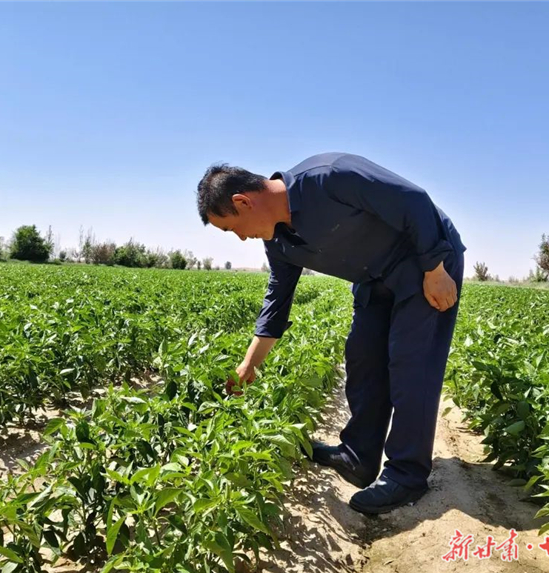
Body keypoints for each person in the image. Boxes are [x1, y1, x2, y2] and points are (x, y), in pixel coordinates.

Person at [195, 152, 466, 515]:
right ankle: (358, 457)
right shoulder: (279, 243)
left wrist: (435, 267)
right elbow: (277, 303)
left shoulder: (330, 177)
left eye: (232, 228)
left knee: (411, 363)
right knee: (363, 359)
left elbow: (413, 201)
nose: (241, 238)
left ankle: (406, 474)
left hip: (424, 260)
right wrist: (249, 366)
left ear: (243, 202)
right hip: (374, 278)